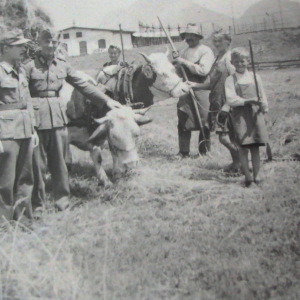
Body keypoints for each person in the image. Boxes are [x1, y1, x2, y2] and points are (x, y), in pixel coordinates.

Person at [23, 29, 122, 213]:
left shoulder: (62, 65)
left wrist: (107, 100)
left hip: (59, 120)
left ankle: (63, 203)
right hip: (37, 120)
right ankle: (38, 207)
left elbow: (83, 85)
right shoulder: (28, 67)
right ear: (39, 44)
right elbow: (23, 95)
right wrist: (28, 121)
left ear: (57, 45)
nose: (50, 45)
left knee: (60, 164)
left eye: (54, 42)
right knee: (39, 165)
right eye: (46, 42)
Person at [187, 30, 240, 173]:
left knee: (225, 136)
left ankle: (241, 160)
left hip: (226, 101)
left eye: (219, 41)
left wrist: (229, 103)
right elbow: (212, 84)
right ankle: (236, 163)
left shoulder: (229, 59)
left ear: (228, 42)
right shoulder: (218, 58)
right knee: (228, 135)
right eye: (214, 41)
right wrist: (195, 85)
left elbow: (238, 82)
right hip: (216, 100)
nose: (216, 44)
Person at [0, 29, 38, 227]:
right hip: (6, 134)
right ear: (6, 48)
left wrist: (33, 128)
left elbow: (27, 101)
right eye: (19, 45)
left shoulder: (21, 70)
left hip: (25, 131)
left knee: (25, 179)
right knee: (5, 182)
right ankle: (4, 226)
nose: (24, 48)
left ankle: (24, 222)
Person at [224, 47, 269, 187]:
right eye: (236, 62)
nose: (239, 64)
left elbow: (262, 95)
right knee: (243, 148)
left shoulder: (255, 77)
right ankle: (248, 178)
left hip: (255, 115)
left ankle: (257, 176)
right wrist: (248, 101)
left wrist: (264, 108)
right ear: (232, 62)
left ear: (248, 61)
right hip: (240, 116)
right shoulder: (230, 80)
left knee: (255, 147)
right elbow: (231, 99)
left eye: (242, 61)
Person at [173, 24, 215, 157]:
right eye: (186, 36)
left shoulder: (205, 51)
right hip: (186, 89)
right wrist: (177, 63)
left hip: (201, 88)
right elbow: (179, 73)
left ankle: (204, 151)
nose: (188, 38)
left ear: (198, 37)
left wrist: (184, 62)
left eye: (192, 36)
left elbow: (203, 71)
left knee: (204, 120)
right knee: (184, 119)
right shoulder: (184, 52)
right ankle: (183, 151)